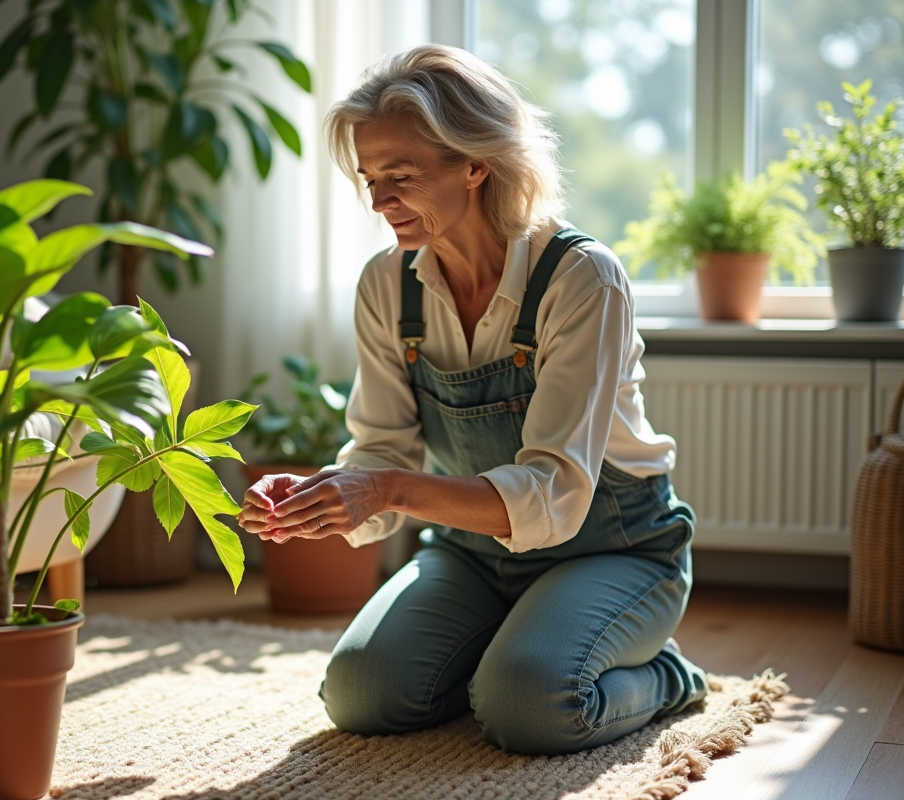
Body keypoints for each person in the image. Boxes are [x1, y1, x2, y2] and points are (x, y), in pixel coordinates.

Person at [236, 44, 708, 756]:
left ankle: (665, 676)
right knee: (361, 693)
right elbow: (381, 449)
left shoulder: (582, 278)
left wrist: (387, 488)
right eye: (370, 177)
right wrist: (326, 495)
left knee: (531, 710)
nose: (378, 199)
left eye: (400, 175)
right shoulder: (386, 285)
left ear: (474, 165)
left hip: (613, 551)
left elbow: (552, 494)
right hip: (472, 554)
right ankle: (511, 652)